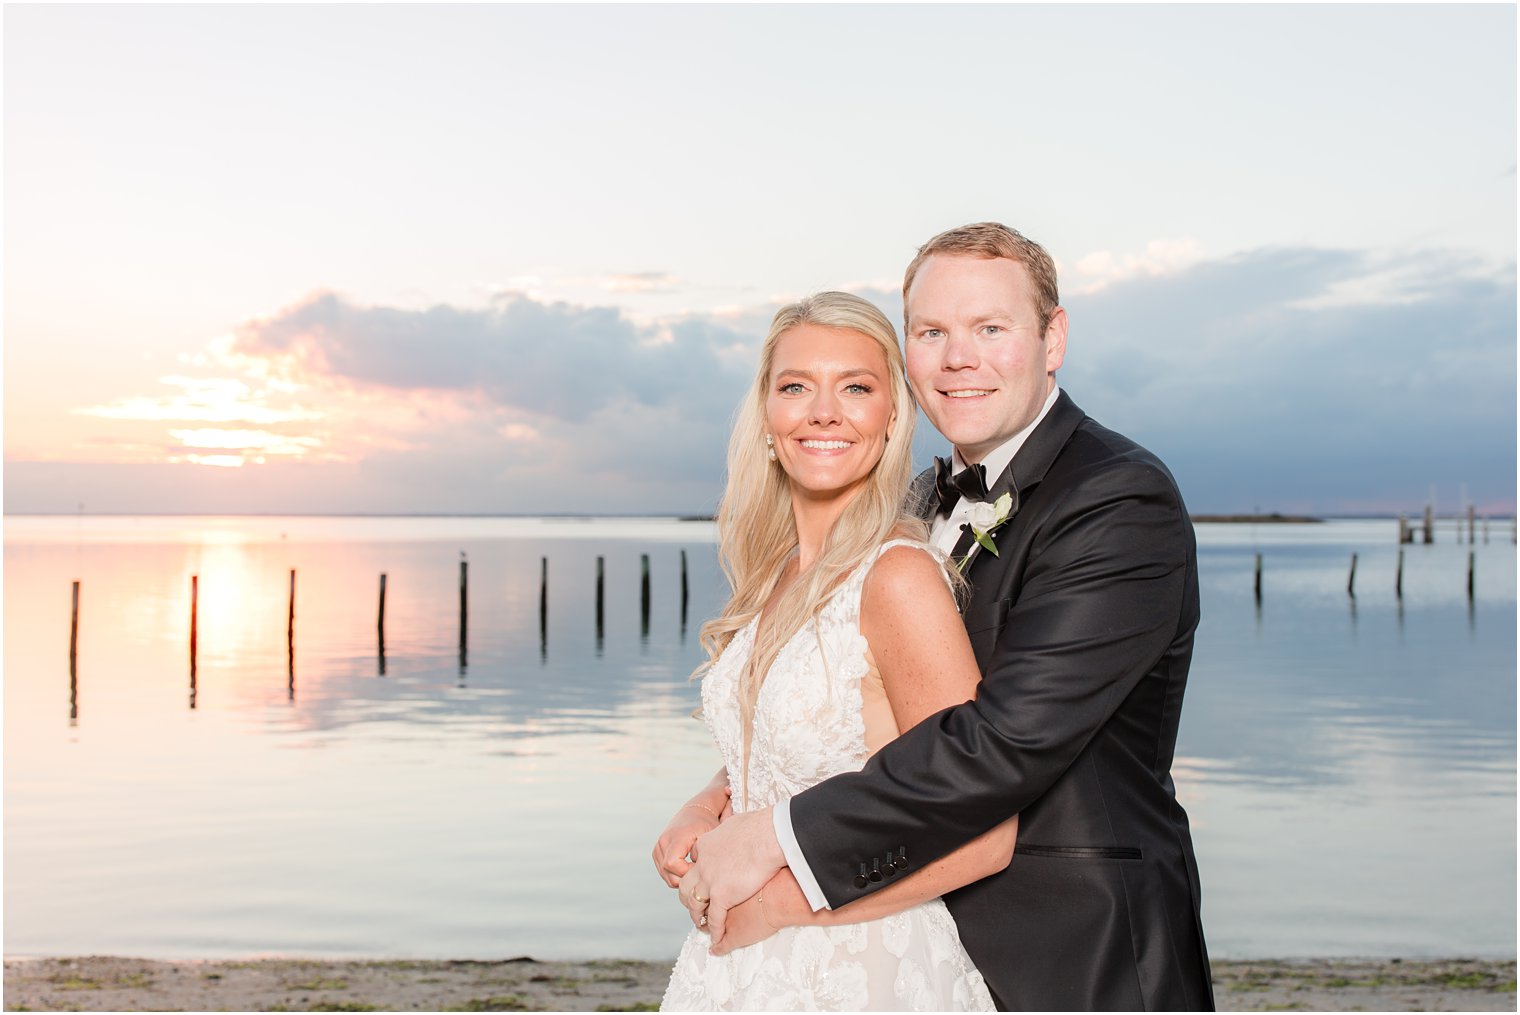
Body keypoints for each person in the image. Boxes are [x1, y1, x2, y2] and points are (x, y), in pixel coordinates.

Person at [664, 224, 1215, 1011]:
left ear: (1052, 338)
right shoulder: (912, 508)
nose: (960, 357)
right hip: (901, 928)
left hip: (1069, 953)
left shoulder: (1117, 499)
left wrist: (773, 845)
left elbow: (999, 742)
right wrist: (719, 797)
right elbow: (852, 703)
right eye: (933, 332)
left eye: (990, 328)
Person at [656, 291, 1013, 1011]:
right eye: (796, 386)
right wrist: (707, 802)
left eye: (856, 387)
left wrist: (790, 906)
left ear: (890, 419)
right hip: (734, 967)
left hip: (861, 968)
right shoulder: (777, 574)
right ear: (767, 415)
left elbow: (986, 834)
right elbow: (794, 746)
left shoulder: (899, 576)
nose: (824, 411)